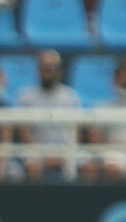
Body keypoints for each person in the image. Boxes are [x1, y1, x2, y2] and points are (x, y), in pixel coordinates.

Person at [14, 50, 83, 182]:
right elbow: (23, 132)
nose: (49, 72)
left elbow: (77, 131)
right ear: (39, 69)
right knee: (33, 166)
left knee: (88, 166)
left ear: (60, 71)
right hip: (35, 150)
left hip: (65, 149)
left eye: (53, 68)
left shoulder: (71, 97)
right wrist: (44, 154)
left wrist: (64, 153)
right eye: (46, 68)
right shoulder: (25, 96)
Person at [88, 57, 126, 182]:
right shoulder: (100, 108)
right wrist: (104, 155)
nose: (125, 82)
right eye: (121, 78)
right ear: (113, 80)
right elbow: (95, 138)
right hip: (114, 153)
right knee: (114, 168)